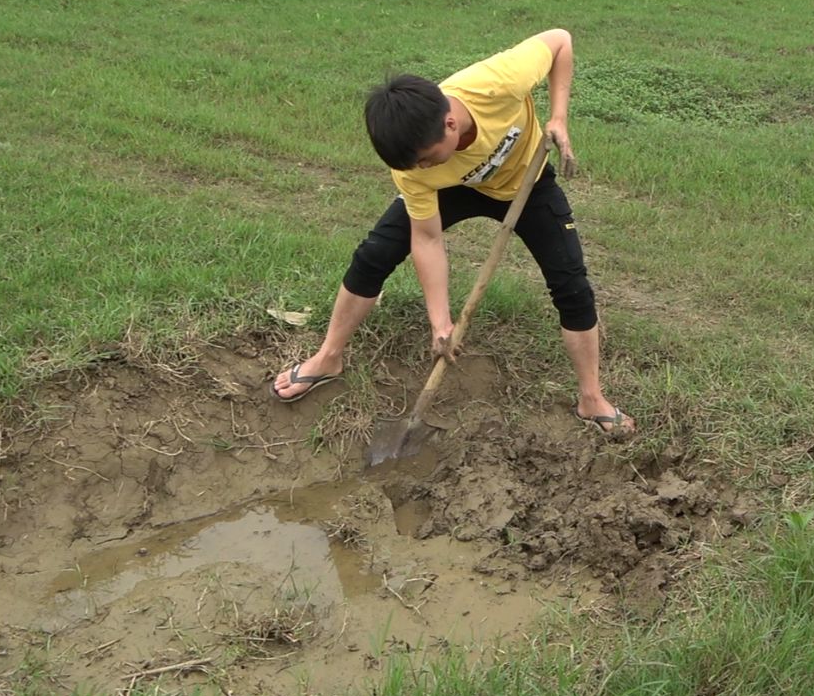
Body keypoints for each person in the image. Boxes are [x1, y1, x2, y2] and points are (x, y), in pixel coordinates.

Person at [271, 28, 634, 437]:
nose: (420, 168)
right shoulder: (415, 170)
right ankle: (328, 357)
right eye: (413, 165)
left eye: (427, 159)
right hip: (454, 188)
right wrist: (440, 322)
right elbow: (427, 238)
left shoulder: (498, 83)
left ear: (449, 123)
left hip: (527, 185)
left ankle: (591, 398)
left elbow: (560, 41)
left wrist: (558, 117)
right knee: (375, 254)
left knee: (571, 284)